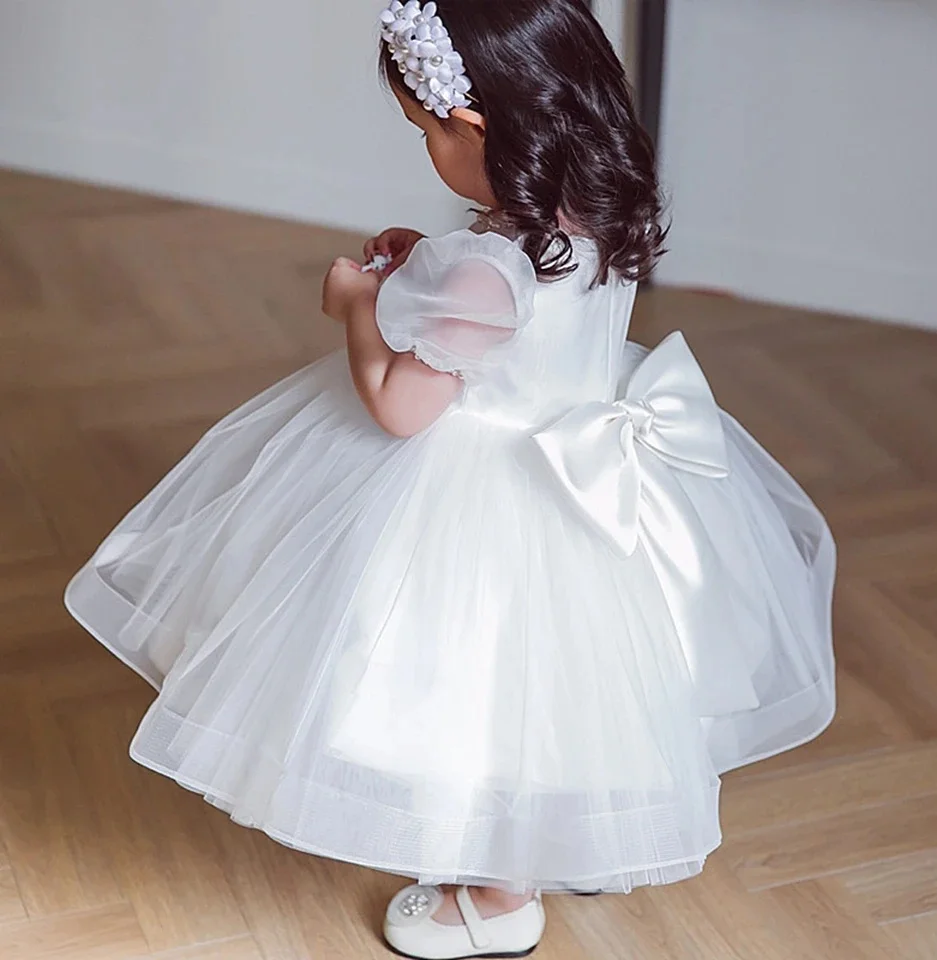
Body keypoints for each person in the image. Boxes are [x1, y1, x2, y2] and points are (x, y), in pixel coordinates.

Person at [64, 2, 837, 957]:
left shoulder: (491, 267)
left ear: (476, 128)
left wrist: (358, 306)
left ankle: (495, 894)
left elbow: (399, 405)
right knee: (572, 682)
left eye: (426, 130)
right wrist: (423, 267)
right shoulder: (595, 204)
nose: (427, 147)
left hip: (489, 484)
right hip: (587, 467)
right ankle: (577, 832)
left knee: (469, 681)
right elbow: (511, 309)